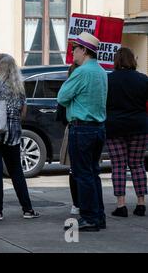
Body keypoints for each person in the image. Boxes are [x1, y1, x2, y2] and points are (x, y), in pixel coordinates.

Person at [0, 53, 40, 221]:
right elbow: (23, 113)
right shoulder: (19, 87)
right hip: (13, 134)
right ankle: (27, 209)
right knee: (16, 171)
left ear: (2, 68)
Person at [58, 32, 108, 232]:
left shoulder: (82, 71)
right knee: (93, 174)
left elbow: (62, 97)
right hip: (98, 129)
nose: (73, 53)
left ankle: (89, 218)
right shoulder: (101, 71)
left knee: (83, 175)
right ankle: (99, 216)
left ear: (84, 50)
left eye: (75, 49)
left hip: (82, 128)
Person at [105, 47, 148, 217]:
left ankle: (121, 205)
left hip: (115, 127)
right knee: (137, 164)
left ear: (116, 61)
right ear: (133, 60)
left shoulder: (108, 80)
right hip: (139, 126)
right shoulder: (143, 80)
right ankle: (140, 203)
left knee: (118, 166)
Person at [57, 63, 80, 215]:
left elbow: (60, 110)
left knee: (75, 170)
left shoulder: (69, 86)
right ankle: (87, 204)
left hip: (74, 127)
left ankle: (77, 204)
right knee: (89, 171)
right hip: (92, 128)